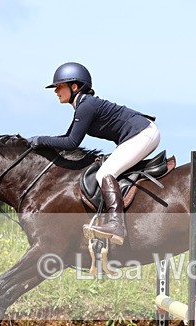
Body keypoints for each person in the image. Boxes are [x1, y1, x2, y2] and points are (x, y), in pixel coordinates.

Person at [28, 62, 160, 245]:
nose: (55, 91)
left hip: (143, 133)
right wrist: (38, 142)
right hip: (139, 134)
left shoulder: (86, 105)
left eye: (59, 86)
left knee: (105, 173)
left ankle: (116, 225)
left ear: (74, 87)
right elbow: (68, 137)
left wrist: (40, 140)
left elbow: (71, 143)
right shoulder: (82, 104)